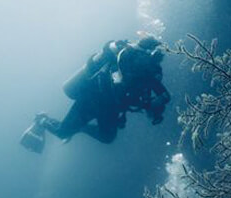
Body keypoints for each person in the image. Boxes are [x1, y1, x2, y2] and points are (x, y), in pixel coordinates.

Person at [20, 36, 170, 153]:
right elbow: (120, 85)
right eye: (154, 55)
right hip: (92, 99)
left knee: (107, 137)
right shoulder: (125, 56)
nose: (153, 62)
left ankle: (79, 128)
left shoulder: (150, 74)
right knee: (63, 132)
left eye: (157, 58)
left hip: (111, 108)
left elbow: (159, 95)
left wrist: (156, 103)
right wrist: (150, 103)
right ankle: (41, 119)